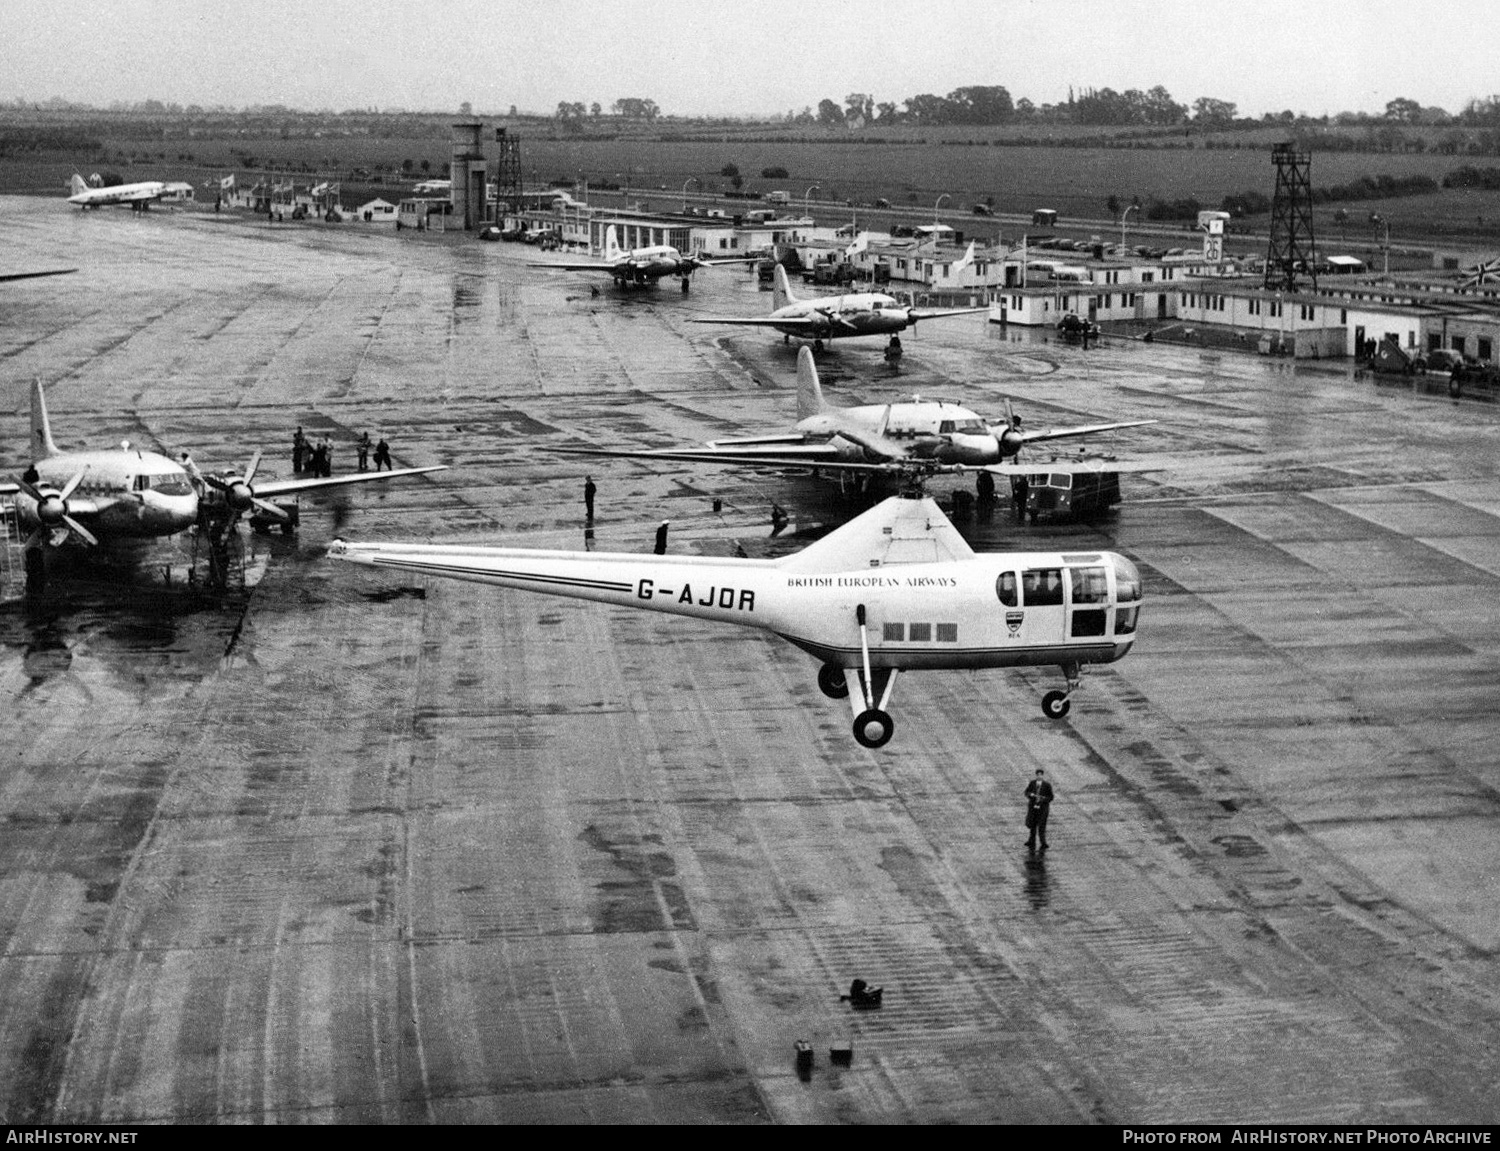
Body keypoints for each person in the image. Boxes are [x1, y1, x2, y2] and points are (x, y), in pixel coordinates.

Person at [1024, 768, 1054, 850]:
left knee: (1041, 826)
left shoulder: (1047, 785)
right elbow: (1026, 792)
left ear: (1042, 776)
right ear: (1036, 775)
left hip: (1042, 809)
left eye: (1040, 775)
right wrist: (1031, 795)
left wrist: (1043, 799)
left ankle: (1043, 842)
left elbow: (1051, 797)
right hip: (1033, 808)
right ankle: (1031, 841)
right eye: (1038, 775)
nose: (1039, 776)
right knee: (1032, 825)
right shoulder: (1032, 783)